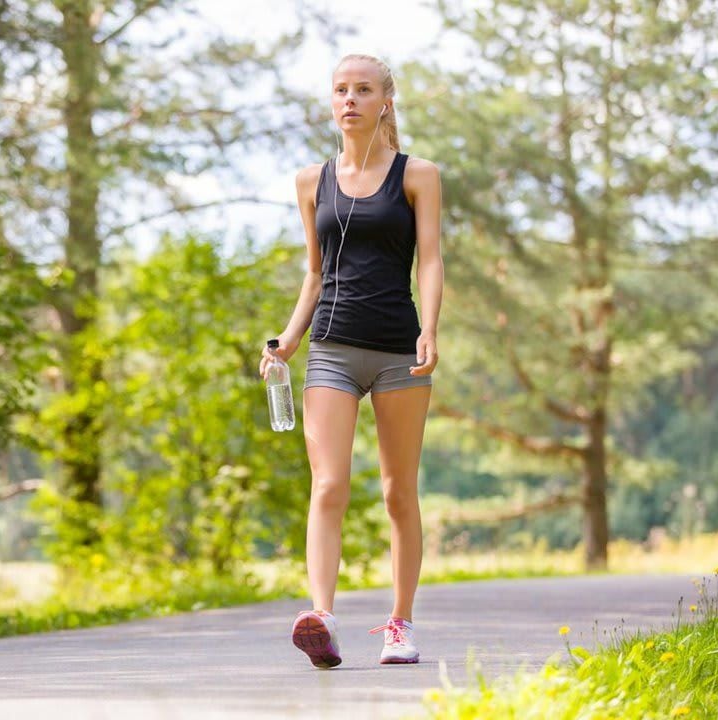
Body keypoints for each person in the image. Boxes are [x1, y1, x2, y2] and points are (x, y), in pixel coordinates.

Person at [259, 53, 443, 668]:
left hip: (399, 350)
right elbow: (314, 273)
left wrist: (432, 330)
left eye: (363, 90)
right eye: (341, 90)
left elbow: (432, 260)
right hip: (332, 349)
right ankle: (323, 617)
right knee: (329, 483)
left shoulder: (418, 175)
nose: (350, 100)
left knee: (398, 493)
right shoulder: (312, 181)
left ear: (384, 101)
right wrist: (287, 340)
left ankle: (400, 625)